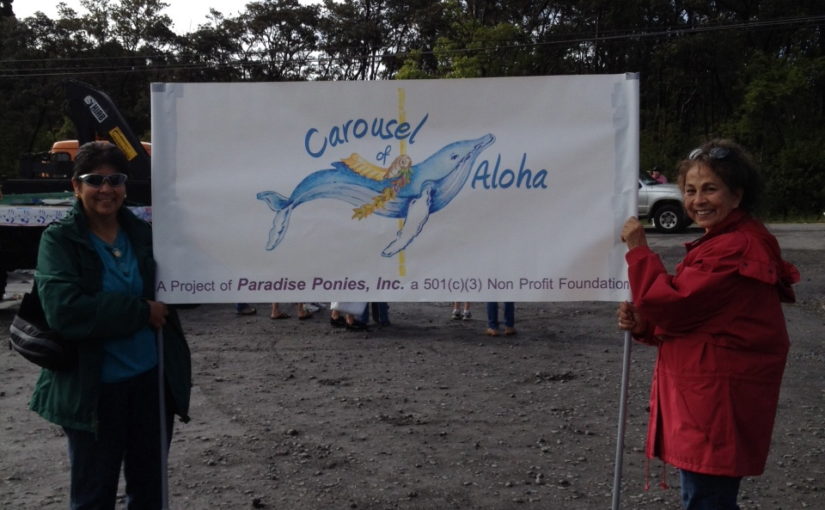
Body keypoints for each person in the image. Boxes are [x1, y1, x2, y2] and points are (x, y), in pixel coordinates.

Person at [617, 139, 799, 510]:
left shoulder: (734, 247)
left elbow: (674, 306)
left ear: (737, 195)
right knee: (704, 496)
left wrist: (638, 248)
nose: (698, 200)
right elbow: (699, 318)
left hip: (715, 404)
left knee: (706, 500)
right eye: (690, 190)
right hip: (709, 397)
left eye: (710, 189)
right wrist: (644, 326)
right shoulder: (727, 240)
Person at [31, 141, 192, 509]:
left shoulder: (144, 233)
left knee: (150, 492)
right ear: (75, 186)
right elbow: (64, 311)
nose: (106, 189)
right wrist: (141, 312)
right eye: (94, 180)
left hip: (151, 386)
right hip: (94, 390)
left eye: (115, 179)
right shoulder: (60, 239)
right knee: (93, 496)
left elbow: (179, 289)